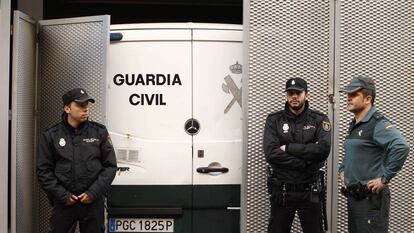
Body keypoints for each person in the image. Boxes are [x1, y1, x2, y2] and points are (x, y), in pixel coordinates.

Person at [37, 88, 117, 233]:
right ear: (67, 108)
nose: (85, 109)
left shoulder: (99, 132)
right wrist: (64, 196)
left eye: (87, 105)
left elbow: (110, 166)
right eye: (80, 105)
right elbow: (43, 171)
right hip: (64, 204)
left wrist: (93, 193)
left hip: (93, 204)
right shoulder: (51, 135)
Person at [339, 76, 409, 233]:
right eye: (347, 94)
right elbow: (353, 152)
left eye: (354, 94)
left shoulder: (377, 124)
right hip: (355, 198)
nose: (348, 98)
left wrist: (384, 178)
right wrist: (342, 169)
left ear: (367, 99)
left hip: (370, 201)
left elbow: (402, 146)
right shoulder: (355, 124)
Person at [263, 77, 331, 233]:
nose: (294, 96)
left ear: (306, 95)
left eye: (298, 93)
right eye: (290, 93)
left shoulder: (320, 120)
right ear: (286, 96)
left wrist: (288, 148)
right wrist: (305, 162)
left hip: (310, 191)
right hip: (283, 191)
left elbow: (323, 150)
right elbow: (271, 153)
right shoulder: (274, 120)